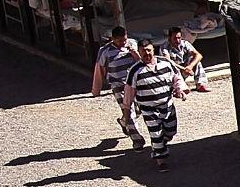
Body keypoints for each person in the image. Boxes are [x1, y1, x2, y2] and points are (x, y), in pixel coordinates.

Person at [125, 38, 187, 171]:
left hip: (167, 106)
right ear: (140, 53)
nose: (147, 54)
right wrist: (126, 111)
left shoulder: (166, 64)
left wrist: (180, 90)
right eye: (143, 52)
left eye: (149, 50)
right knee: (156, 134)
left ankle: (160, 145)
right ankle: (161, 160)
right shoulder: (135, 70)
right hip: (149, 109)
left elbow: (177, 78)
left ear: (154, 50)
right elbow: (129, 92)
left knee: (171, 131)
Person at [89, 25, 145, 149]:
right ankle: (137, 140)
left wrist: (134, 53)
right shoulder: (105, 51)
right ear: (113, 39)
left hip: (135, 83)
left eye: (124, 39)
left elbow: (142, 62)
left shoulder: (132, 44)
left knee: (139, 109)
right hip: (118, 85)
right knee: (128, 110)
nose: (123, 43)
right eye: (120, 41)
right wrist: (96, 89)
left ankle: (123, 122)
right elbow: (99, 69)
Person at [160, 25, 210, 92]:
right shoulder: (164, 47)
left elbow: (198, 55)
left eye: (179, 38)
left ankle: (200, 84)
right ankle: (180, 87)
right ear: (169, 38)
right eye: (175, 38)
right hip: (174, 72)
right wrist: (184, 69)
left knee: (196, 61)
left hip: (185, 69)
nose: (178, 41)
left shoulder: (185, 43)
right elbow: (168, 62)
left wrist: (190, 66)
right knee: (172, 68)